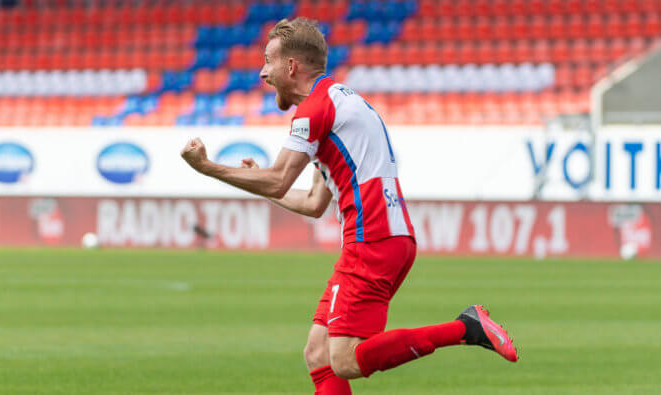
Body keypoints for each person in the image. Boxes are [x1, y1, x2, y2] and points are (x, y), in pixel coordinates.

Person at [180, 17, 518, 395]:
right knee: (318, 353)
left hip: (370, 239)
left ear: (291, 66)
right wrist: (261, 183)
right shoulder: (341, 102)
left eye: (268, 61)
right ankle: (465, 328)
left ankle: (465, 328)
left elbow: (279, 179)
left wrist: (208, 168)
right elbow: (312, 202)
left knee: (345, 359)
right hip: (389, 237)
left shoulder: (314, 110)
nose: (262, 73)